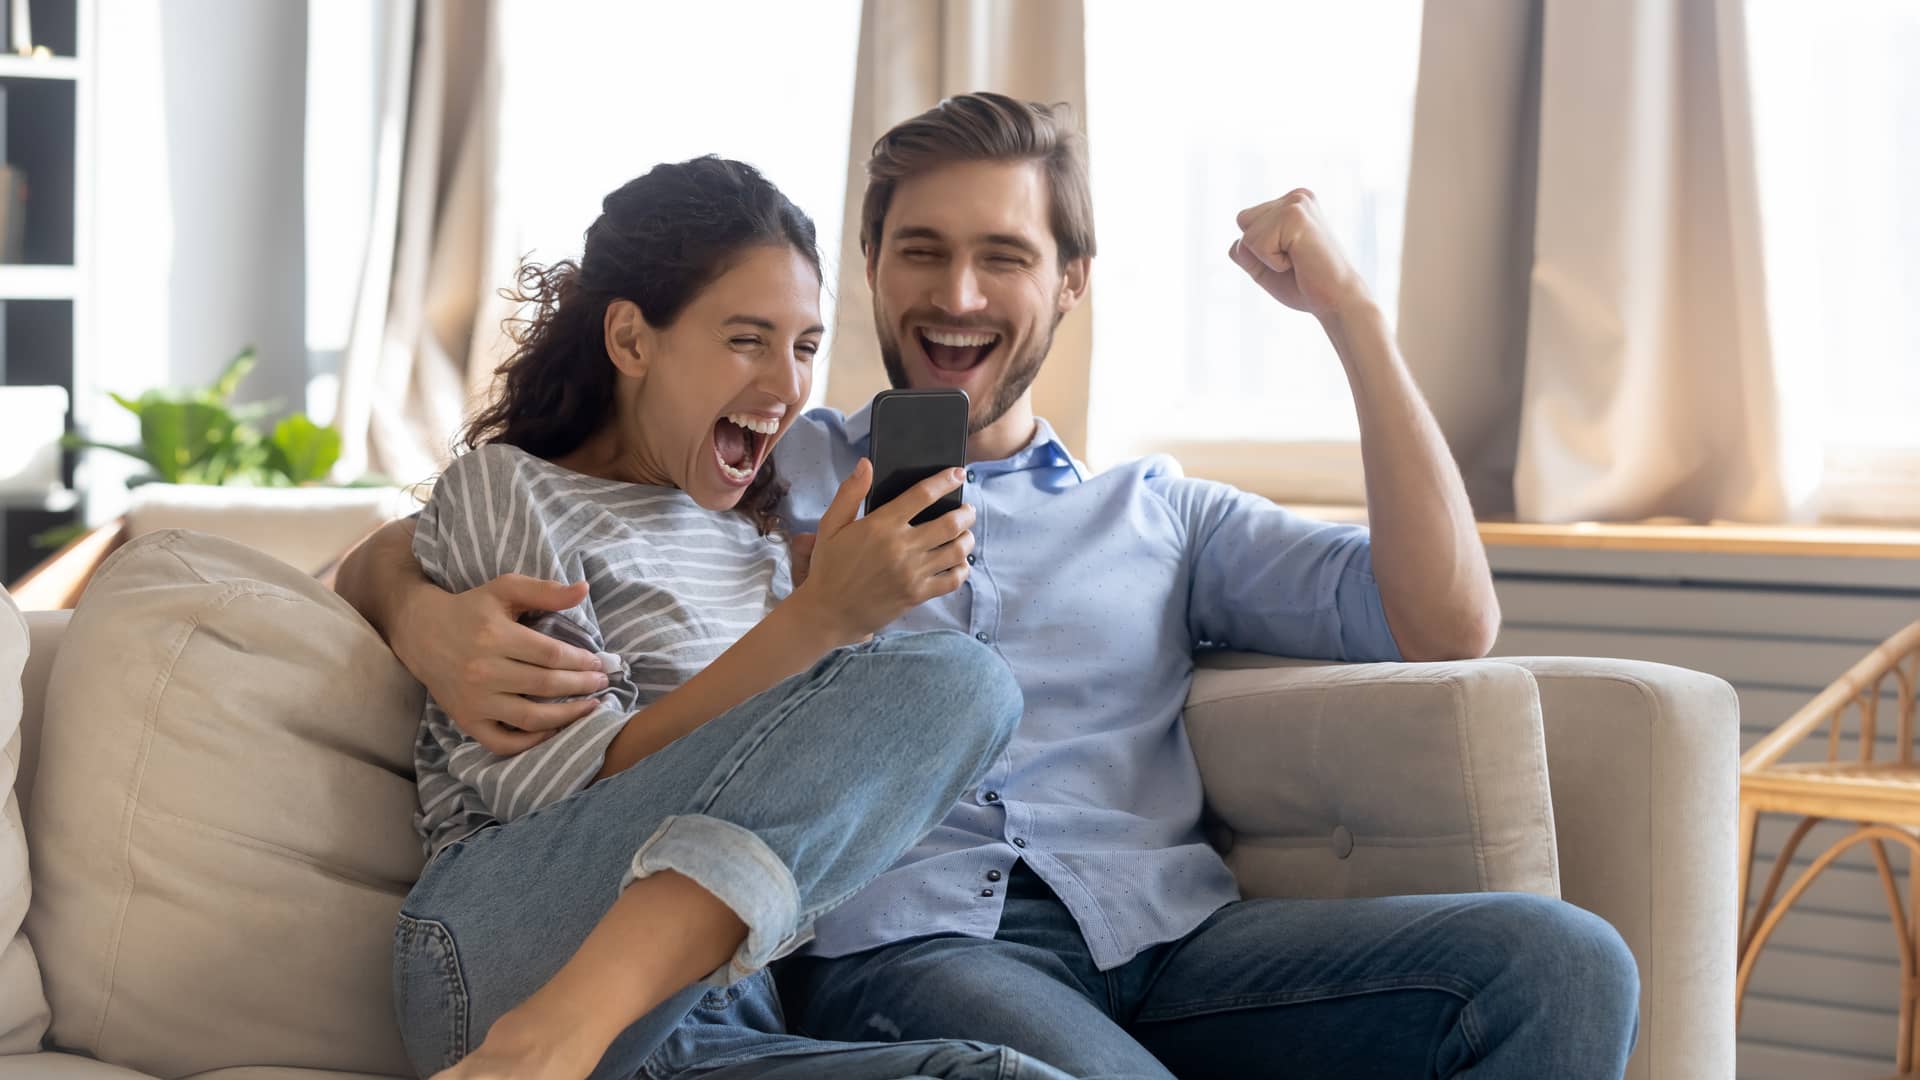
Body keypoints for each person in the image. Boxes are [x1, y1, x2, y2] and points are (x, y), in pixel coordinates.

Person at [341, 96, 1641, 1078]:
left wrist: (1353, 317)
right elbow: (498, 508)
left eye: (1003, 257)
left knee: (1564, 966)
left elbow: (1448, 624)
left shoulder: (1157, 512)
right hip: (916, 952)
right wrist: (421, 609)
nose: (956, 295)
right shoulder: (769, 468)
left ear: (1071, 282)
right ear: (871, 270)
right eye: (920, 252)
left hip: (1168, 942)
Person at [382, 154, 1077, 1080]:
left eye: (803, 346)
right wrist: (817, 624)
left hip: (715, 1013)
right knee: (964, 681)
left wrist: (821, 616)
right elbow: (550, 789)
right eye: (747, 339)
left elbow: (784, 823)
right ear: (631, 340)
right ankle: (542, 1043)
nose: (788, 384)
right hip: (505, 952)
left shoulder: (761, 548)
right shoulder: (513, 493)